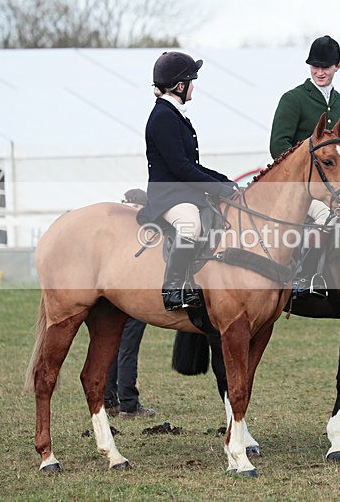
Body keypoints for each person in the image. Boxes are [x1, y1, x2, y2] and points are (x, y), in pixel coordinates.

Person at [142, 51, 238, 311]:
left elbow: (192, 166)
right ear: (180, 86)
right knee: (190, 225)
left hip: (183, 192)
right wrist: (218, 188)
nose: (194, 86)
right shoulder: (163, 117)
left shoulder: (175, 115)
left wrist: (226, 182)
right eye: (191, 81)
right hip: (169, 196)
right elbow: (181, 167)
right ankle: (173, 289)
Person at [269, 35, 340, 298]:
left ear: (337, 67)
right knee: (327, 216)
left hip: (333, 183)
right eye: (315, 67)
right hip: (298, 185)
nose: (320, 72)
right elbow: (278, 145)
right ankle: (305, 277)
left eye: (326, 67)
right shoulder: (294, 99)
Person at [104, 317, 156, 419]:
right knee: (128, 351)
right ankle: (129, 405)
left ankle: (109, 402)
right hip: (133, 306)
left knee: (113, 349)